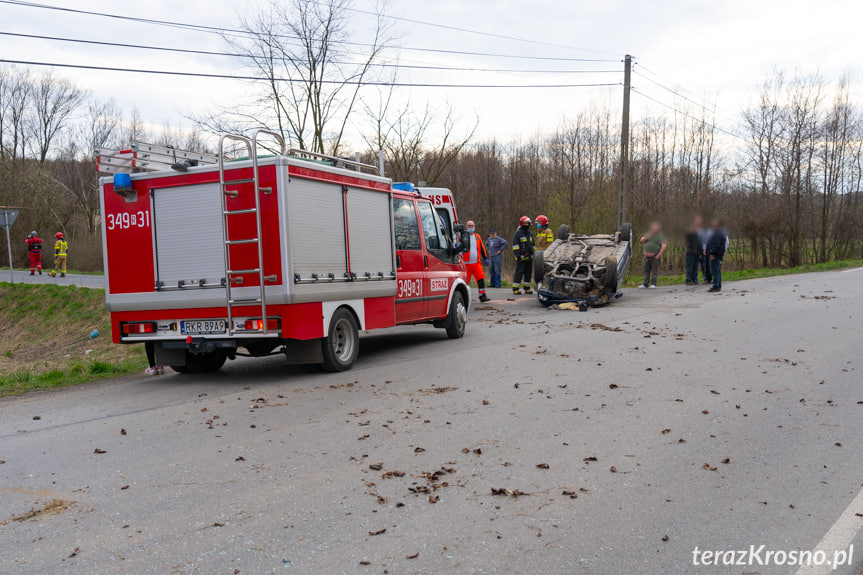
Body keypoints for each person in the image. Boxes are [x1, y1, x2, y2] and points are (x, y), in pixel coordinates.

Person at [461, 220, 490, 302]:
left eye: (472, 226)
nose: (471, 227)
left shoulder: (477, 236)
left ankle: (482, 295)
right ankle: (463, 297)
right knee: (465, 281)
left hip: (476, 263)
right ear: (466, 227)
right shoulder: (463, 236)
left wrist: (485, 258)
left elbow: (481, 247)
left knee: (481, 277)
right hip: (466, 263)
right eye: (469, 226)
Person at [638, 221, 666, 289]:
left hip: (654, 256)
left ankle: (653, 283)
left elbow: (664, 246)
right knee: (646, 270)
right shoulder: (648, 234)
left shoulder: (660, 236)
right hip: (646, 256)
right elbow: (641, 240)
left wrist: (658, 254)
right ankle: (645, 283)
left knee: (654, 270)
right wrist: (647, 236)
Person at [512, 216, 535, 295]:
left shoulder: (530, 233)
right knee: (519, 273)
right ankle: (515, 289)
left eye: (528, 223)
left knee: (528, 273)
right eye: (525, 223)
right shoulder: (517, 233)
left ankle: (527, 289)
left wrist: (534, 254)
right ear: (522, 224)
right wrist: (518, 255)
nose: (526, 225)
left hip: (529, 258)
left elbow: (533, 245)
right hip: (521, 258)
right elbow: (515, 246)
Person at [706, 218, 728, 292]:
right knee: (717, 270)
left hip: (715, 254)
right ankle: (718, 285)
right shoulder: (721, 232)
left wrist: (712, 253)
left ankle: (715, 286)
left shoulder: (717, 233)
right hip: (718, 254)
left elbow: (716, 244)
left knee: (715, 270)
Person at [684, 218, 702, 285]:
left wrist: (700, 253)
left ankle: (694, 279)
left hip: (697, 253)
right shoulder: (689, 233)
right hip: (690, 252)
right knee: (690, 267)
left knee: (695, 267)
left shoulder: (699, 234)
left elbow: (699, 244)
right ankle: (688, 280)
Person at [698, 217, 712, 284]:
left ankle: (707, 278)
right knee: (703, 265)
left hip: (706, 249)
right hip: (700, 249)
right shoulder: (700, 230)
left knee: (706, 265)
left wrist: (704, 248)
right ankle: (706, 278)